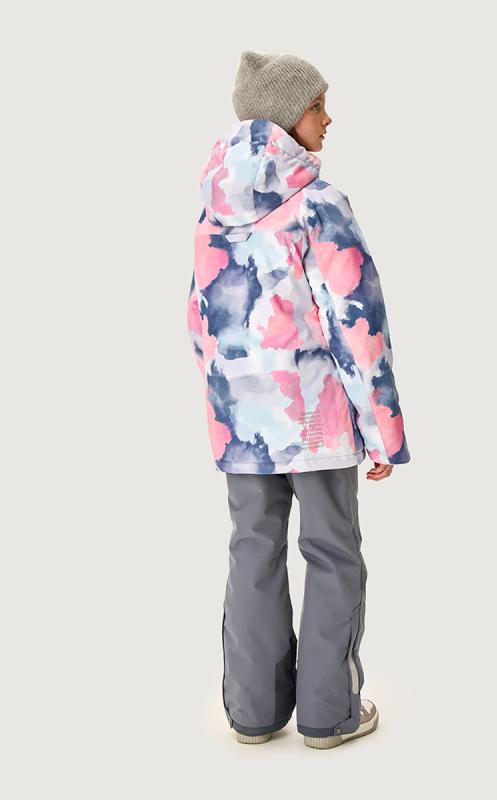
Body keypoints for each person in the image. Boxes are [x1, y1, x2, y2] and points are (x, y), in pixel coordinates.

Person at [186, 50, 410, 749]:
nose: (328, 118)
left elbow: (200, 320)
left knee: (252, 550)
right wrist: (381, 429)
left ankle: (253, 714)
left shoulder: (213, 209)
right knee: (332, 551)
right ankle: (328, 713)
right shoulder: (319, 204)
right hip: (316, 417)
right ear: (287, 117)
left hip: (242, 423)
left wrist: (227, 404)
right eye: (317, 105)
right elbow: (357, 324)